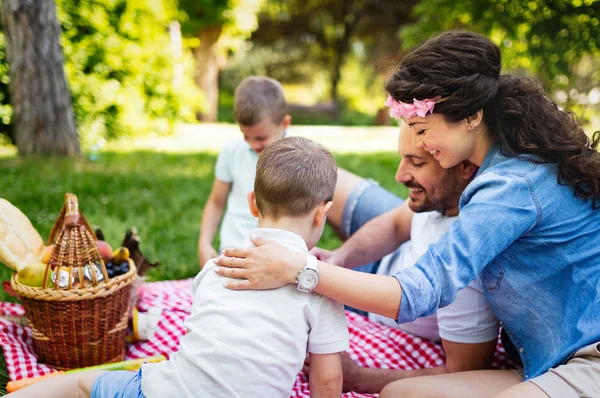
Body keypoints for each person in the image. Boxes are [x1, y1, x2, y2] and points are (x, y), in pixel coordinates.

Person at [214, 30, 600, 398]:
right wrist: (336, 261)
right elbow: (404, 220)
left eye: (421, 129)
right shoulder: (493, 169)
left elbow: (418, 292)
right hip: (544, 359)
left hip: (588, 356)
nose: (420, 145)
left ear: (471, 117)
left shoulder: (512, 186)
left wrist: (299, 268)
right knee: (399, 393)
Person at [9, 137, 348, 398]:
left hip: (167, 392)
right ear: (323, 212)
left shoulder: (218, 266)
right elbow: (328, 379)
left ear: (253, 203)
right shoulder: (321, 286)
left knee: (81, 384)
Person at [305, 123, 499, 393]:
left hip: (378, 300)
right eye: (402, 158)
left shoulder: (464, 264)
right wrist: (339, 258)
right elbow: (397, 223)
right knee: (312, 173)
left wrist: (358, 377)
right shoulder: (440, 196)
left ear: (464, 165)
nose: (399, 175)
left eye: (417, 162)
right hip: (387, 259)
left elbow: (462, 372)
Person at [198, 76, 291, 267]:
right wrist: (204, 242)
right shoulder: (232, 151)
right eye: (245, 136)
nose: (252, 143)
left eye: (260, 137)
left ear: (284, 123)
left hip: (280, 256)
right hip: (234, 250)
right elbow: (216, 202)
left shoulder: (298, 157)